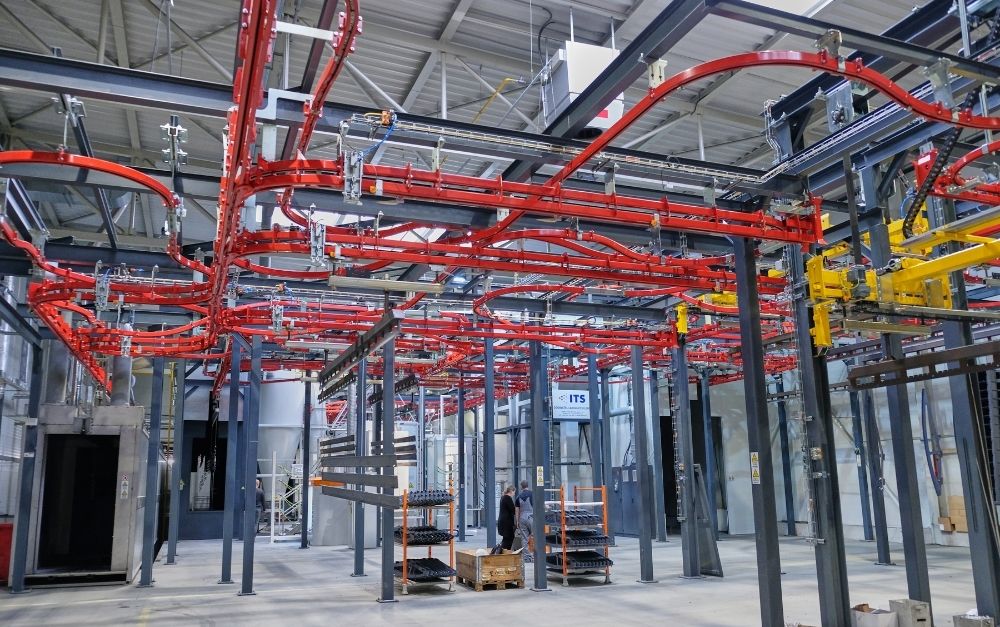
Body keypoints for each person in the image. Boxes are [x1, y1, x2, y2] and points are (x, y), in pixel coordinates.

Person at [514, 480, 534, 562]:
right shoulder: (532, 494)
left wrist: (517, 521)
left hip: (522, 518)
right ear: (528, 485)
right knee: (534, 537)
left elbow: (517, 510)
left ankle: (526, 557)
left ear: (521, 487)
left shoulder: (518, 497)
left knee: (524, 538)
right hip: (532, 517)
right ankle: (534, 556)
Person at [497, 485, 517, 551]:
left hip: (503, 521)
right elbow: (513, 510)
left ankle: (502, 552)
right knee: (509, 538)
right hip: (507, 522)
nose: (514, 494)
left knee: (506, 538)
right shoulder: (508, 498)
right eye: (514, 492)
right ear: (511, 491)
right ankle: (505, 553)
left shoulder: (503, 497)